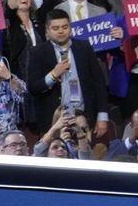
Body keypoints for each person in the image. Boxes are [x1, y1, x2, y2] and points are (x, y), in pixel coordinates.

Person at [24, 9, 109, 138]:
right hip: (52, 121)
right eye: (56, 28)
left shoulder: (84, 47)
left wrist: (102, 115)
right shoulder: (38, 52)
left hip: (83, 116)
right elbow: (33, 87)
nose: (61, 31)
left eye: (65, 27)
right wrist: (53, 75)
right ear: (47, 30)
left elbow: (98, 83)